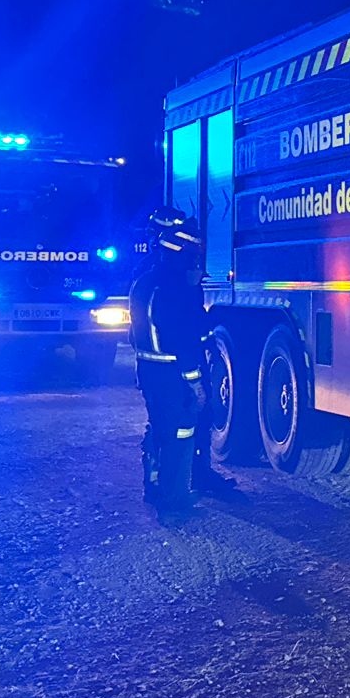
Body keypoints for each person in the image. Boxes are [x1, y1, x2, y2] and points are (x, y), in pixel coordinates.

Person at [130, 207, 208, 510]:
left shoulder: (144, 281)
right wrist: (195, 382)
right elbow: (183, 339)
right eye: (193, 257)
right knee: (181, 431)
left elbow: (135, 333)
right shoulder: (176, 290)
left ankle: (154, 486)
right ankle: (174, 500)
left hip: (147, 368)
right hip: (171, 373)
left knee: (159, 427)